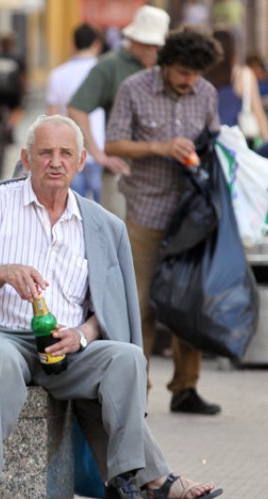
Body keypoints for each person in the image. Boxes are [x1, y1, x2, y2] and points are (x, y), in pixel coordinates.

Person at [0, 114, 222, 499]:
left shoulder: (104, 225)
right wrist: (1, 274)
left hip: (64, 346)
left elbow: (103, 313)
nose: (55, 162)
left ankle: (122, 487)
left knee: (125, 358)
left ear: (82, 160)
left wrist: (82, 335)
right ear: (26, 158)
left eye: (65, 153)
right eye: (45, 153)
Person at [105, 28, 223, 415]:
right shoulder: (134, 88)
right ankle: (137, 391)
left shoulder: (206, 92)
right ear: (167, 62)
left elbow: (214, 140)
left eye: (196, 74)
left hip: (192, 215)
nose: (190, 81)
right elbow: (114, 143)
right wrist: (160, 147)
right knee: (140, 303)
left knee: (190, 301)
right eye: (184, 72)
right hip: (146, 210)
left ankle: (186, 388)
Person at [68, 5, 170, 220]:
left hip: (162, 174)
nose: (151, 49)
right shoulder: (110, 66)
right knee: (118, 242)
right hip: (121, 172)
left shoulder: (166, 67)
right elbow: (77, 108)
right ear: (134, 38)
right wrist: (98, 155)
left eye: (156, 45)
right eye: (146, 43)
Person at [46, 23, 104, 203]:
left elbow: (52, 118)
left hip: (68, 151)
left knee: (74, 206)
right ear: (97, 44)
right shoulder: (103, 72)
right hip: (101, 148)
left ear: (73, 45)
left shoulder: (57, 74)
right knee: (101, 213)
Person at [206, 29, 268, 148]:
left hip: (211, 144)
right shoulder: (243, 75)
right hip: (239, 145)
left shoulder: (203, 76)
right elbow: (258, 112)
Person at [0, 32, 27, 175]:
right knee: (19, 109)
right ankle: (10, 127)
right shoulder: (18, 58)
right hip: (12, 96)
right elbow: (23, 79)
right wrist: (23, 96)